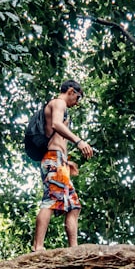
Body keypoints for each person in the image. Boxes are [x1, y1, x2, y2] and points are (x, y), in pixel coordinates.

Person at [33, 80, 94, 251]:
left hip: (59, 161)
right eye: (78, 97)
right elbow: (56, 125)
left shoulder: (61, 106)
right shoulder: (58, 103)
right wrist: (79, 141)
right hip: (52, 159)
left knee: (74, 206)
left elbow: (57, 139)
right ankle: (38, 247)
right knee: (51, 201)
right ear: (71, 91)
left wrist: (66, 161)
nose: (77, 102)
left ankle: (74, 249)